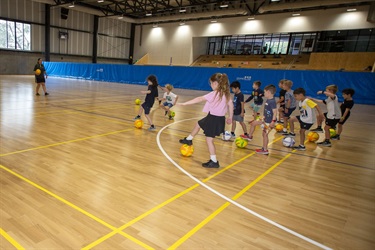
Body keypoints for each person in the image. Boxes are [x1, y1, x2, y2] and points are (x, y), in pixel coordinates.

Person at [178, 73, 233, 168]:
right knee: (198, 124)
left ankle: (214, 161)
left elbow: (199, 99)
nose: (211, 85)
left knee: (209, 140)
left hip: (213, 119)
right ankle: (189, 139)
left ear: (215, 83)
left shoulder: (214, 94)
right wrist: (230, 117)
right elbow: (231, 105)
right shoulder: (226, 94)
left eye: (211, 83)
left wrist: (184, 104)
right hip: (218, 119)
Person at [245, 84, 278, 155]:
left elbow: (275, 112)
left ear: (269, 92)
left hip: (269, 122)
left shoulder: (272, 101)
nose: (264, 93)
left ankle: (265, 149)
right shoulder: (268, 100)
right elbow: (267, 111)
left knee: (265, 135)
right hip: (265, 120)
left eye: (265, 92)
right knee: (253, 123)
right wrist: (263, 116)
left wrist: (273, 121)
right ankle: (249, 136)